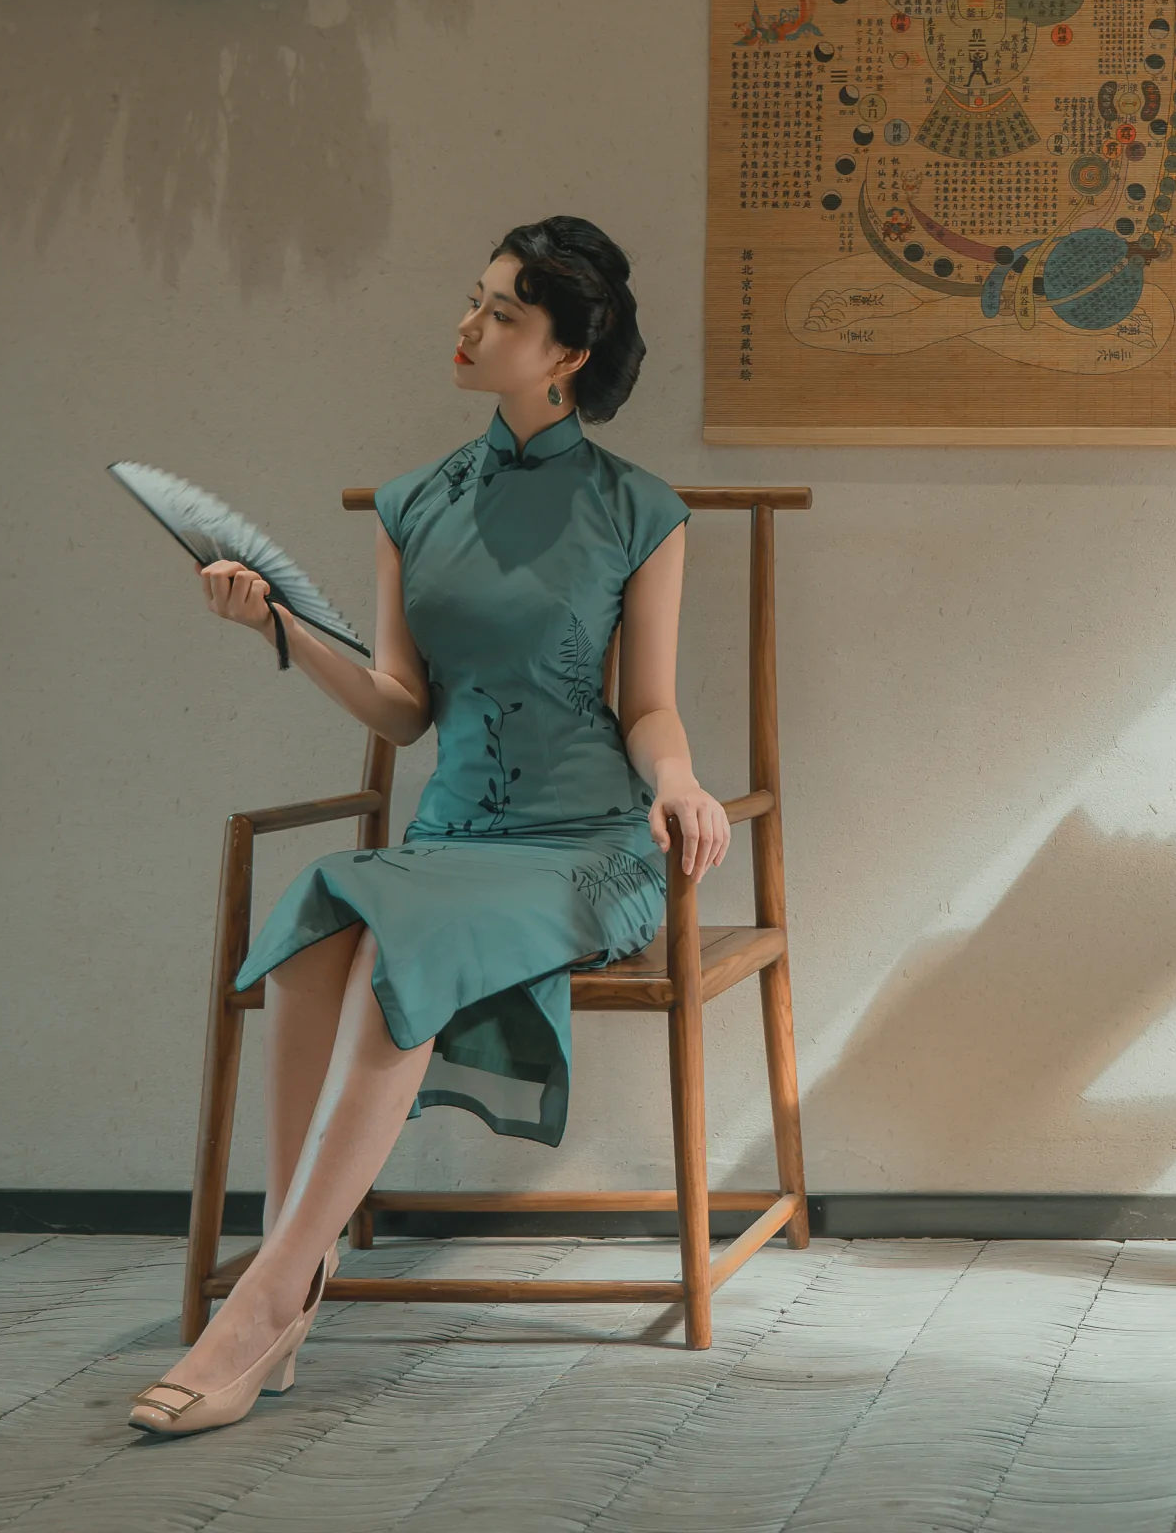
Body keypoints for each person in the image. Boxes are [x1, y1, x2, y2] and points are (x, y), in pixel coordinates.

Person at [129, 215, 728, 1436]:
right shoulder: (414, 504)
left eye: (504, 314)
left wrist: (680, 780)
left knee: (396, 939)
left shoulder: (641, 510)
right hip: (452, 841)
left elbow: (649, 706)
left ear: (566, 355)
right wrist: (279, 628)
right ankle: (289, 1275)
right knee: (319, 918)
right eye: (475, 300)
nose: (469, 326)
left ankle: (264, 1301)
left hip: (588, 847)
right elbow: (402, 711)